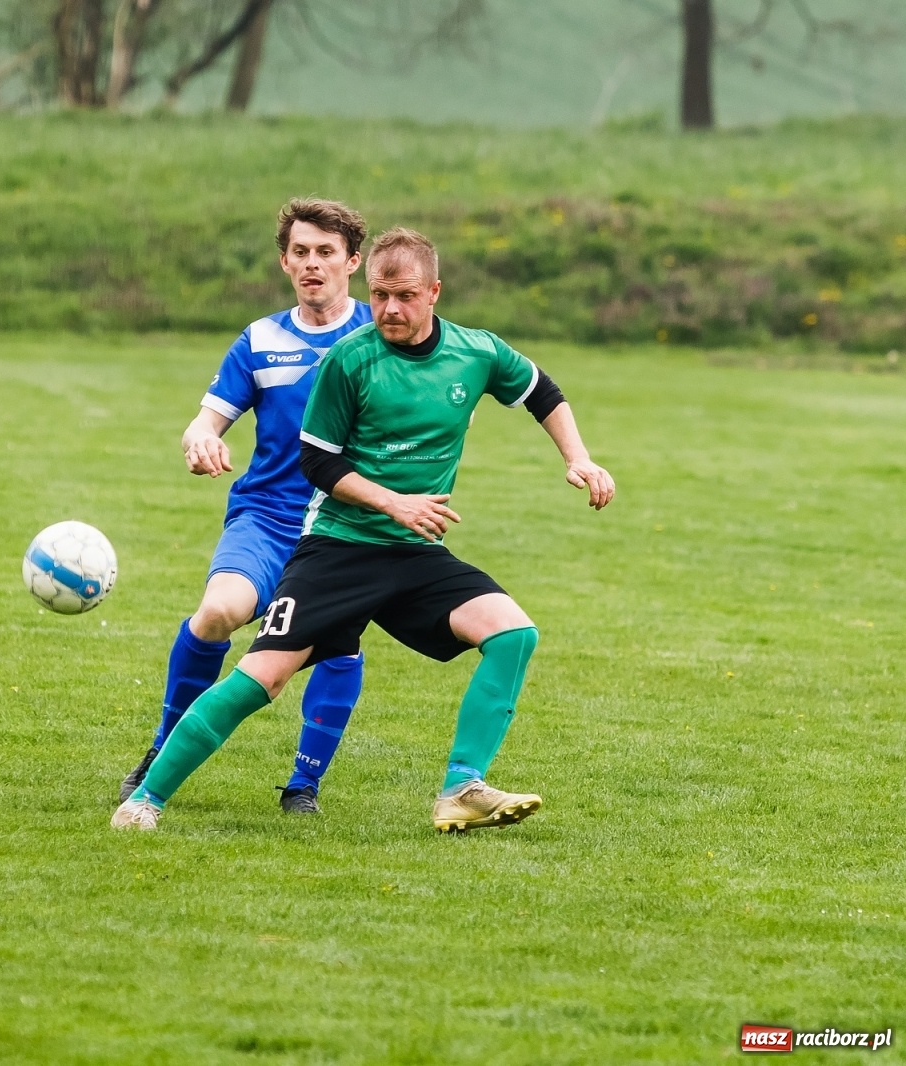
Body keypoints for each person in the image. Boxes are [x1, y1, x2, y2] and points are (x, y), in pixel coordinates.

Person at [113, 226, 615, 834]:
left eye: (405, 296)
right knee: (261, 680)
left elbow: (541, 391)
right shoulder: (349, 360)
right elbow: (316, 462)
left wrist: (578, 459)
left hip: (412, 554)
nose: (390, 309)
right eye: (380, 295)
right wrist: (394, 503)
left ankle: (461, 788)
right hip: (338, 549)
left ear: (434, 292)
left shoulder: (476, 350)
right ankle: (145, 800)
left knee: (513, 634)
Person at [118, 199, 373, 816]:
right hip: (267, 516)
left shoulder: (380, 334)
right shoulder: (261, 339)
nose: (312, 264)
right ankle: (164, 746)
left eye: (326, 252)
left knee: (338, 645)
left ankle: (303, 786)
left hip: (346, 526)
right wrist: (201, 440)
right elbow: (204, 421)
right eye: (300, 252)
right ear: (285, 262)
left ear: (353, 262)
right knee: (217, 612)